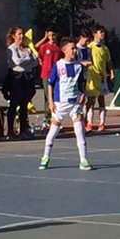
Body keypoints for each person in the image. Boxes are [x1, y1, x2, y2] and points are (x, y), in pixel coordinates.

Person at [40, 37, 92, 171]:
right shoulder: (58, 65)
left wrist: (83, 94)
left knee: (80, 131)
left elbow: (82, 84)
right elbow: (50, 84)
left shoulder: (78, 66)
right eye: (72, 48)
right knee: (53, 131)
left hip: (74, 103)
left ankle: (84, 160)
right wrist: (51, 102)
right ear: (64, 50)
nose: (74, 50)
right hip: (60, 103)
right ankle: (45, 157)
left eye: (75, 48)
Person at [4, 25, 40, 138]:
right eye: (19, 34)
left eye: (22, 33)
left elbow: (35, 62)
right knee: (14, 105)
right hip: (16, 78)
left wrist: (27, 62)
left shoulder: (28, 48)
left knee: (24, 105)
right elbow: (17, 61)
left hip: (27, 78)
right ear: (14, 35)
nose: (21, 36)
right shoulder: (11, 48)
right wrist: (28, 60)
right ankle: (10, 131)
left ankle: (23, 129)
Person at [84, 25, 114, 133]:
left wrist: (111, 72)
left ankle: (101, 123)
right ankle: (89, 123)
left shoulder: (105, 48)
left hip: (102, 78)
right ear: (94, 34)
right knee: (91, 100)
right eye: (100, 32)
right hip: (92, 78)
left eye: (103, 33)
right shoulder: (90, 47)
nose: (102, 35)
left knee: (101, 99)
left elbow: (109, 62)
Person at [35, 28, 59, 121]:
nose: (51, 37)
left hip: (56, 75)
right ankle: (48, 117)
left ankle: (54, 116)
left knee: (54, 94)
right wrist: (44, 38)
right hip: (46, 74)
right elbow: (39, 55)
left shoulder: (58, 48)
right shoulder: (44, 46)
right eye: (49, 35)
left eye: (53, 35)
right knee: (47, 95)